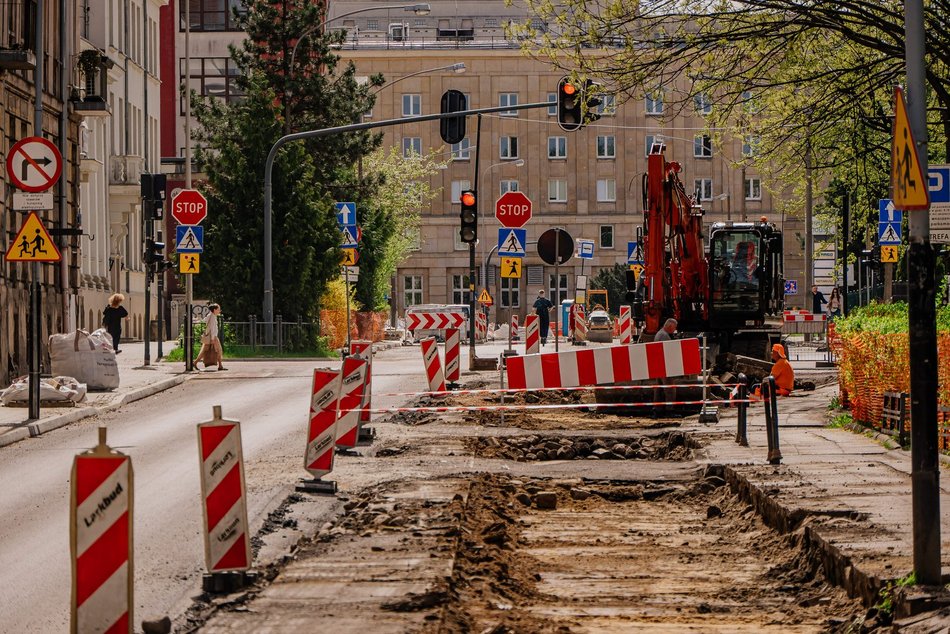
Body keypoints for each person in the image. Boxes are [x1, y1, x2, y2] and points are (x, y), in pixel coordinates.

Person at [195, 303, 227, 371]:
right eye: (218, 309)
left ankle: (220, 366)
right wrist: (213, 338)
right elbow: (212, 329)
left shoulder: (210, 315)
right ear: (214, 310)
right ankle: (220, 366)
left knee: (205, 351)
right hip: (213, 337)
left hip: (211, 337)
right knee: (219, 350)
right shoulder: (212, 317)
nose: (219, 310)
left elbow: (203, 321)